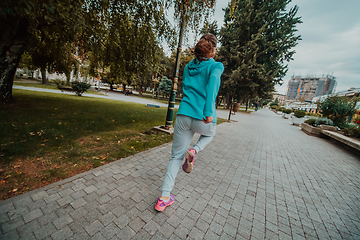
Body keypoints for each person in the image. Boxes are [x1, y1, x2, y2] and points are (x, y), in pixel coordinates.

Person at [155, 34, 224, 212]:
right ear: (213, 50)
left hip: (184, 114)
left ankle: (163, 198)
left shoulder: (188, 67)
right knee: (209, 134)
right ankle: (194, 150)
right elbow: (213, 83)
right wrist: (208, 112)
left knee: (175, 157)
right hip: (202, 117)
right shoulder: (216, 66)